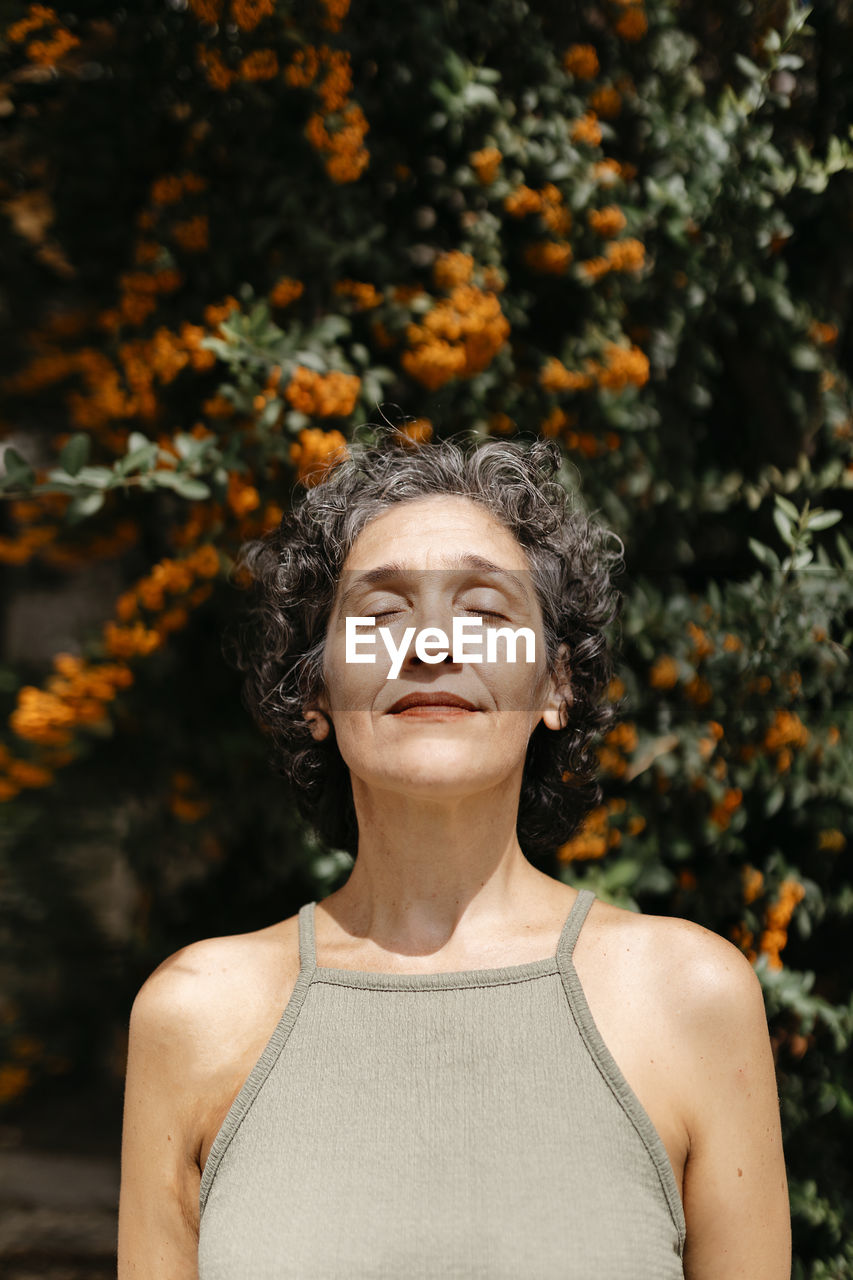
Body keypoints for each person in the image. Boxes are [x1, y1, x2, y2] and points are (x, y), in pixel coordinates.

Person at [117, 427, 791, 1279]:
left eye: (483, 612)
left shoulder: (691, 1001)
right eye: (380, 614)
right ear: (315, 690)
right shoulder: (193, 1018)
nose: (430, 645)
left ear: (556, 684)